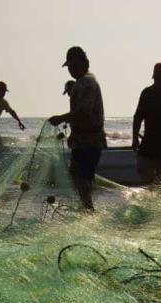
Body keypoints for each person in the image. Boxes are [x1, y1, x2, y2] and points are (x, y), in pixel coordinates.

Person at [48, 46, 107, 209]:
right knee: (79, 177)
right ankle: (87, 208)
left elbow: (83, 112)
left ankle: (88, 210)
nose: (71, 70)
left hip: (89, 141)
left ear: (84, 62)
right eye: (69, 67)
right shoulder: (84, 80)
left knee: (82, 178)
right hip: (84, 140)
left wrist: (61, 118)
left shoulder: (86, 82)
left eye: (73, 65)